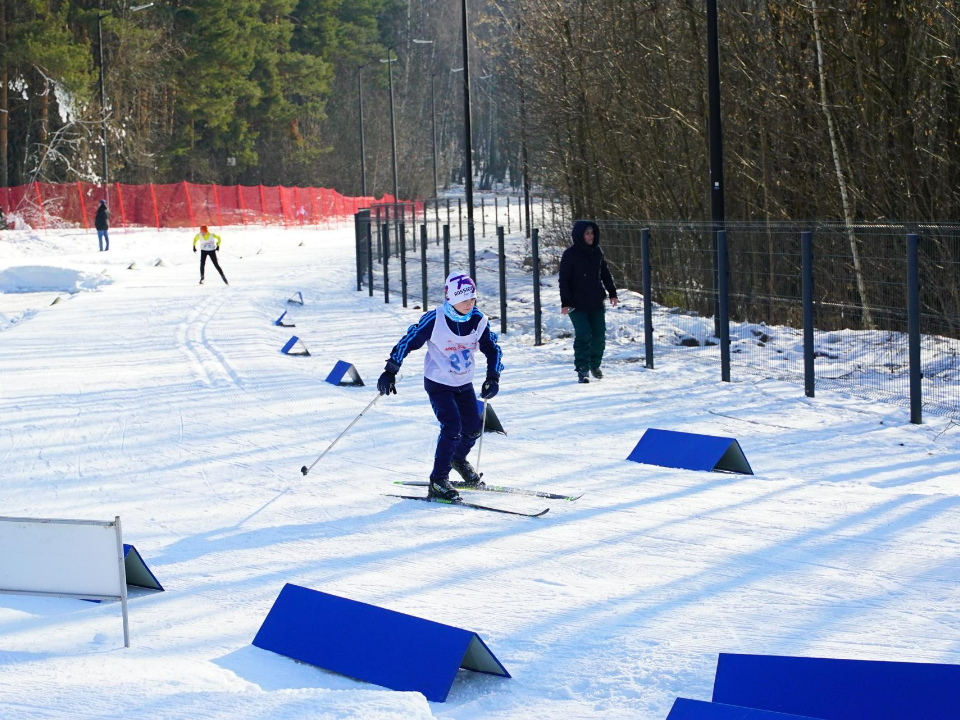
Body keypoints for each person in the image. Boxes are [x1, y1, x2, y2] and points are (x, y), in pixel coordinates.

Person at [377, 272, 503, 501]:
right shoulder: (435, 319)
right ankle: (438, 480)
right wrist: (390, 370)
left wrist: (493, 377)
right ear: (451, 299)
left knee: (473, 428)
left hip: (464, 382)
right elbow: (409, 340)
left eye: (473, 299)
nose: (470, 304)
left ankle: (457, 459)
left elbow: (492, 349)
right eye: (464, 299)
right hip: (438, 383)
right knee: (452, 427)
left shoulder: (478, 320)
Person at [559, 220, 618, 384]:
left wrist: (612, 293)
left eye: (592, 233)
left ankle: (594, 365)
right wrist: (565, 302)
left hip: (596, 302)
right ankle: (582, 369)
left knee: (599, 336)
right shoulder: (570, 255)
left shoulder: (597, 252)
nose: (590, 236)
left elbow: (605, 273)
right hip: (576, 305)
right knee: (584, 334)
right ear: (579, 235)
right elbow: (564, 280)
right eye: (587, 233)